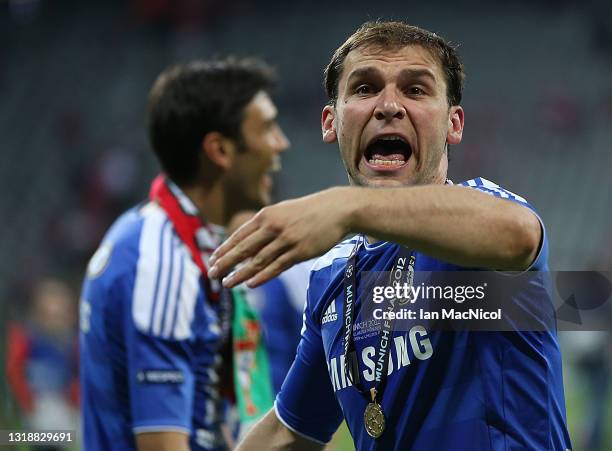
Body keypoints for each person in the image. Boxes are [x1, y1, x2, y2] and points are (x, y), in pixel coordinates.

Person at [208, 22, 573, 450]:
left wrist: (347, 208)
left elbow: (518, 237)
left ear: (454, 125)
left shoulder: (481, 228)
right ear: (331, 122)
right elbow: (291, 430)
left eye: (416, 90)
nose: (388, 106)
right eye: (364, 89)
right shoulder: (332, 277)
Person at [79, 57, 289, 451]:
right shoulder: (162, 262)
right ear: (221, 150)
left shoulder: (177, 239)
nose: (281, 142)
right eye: (267, 128)